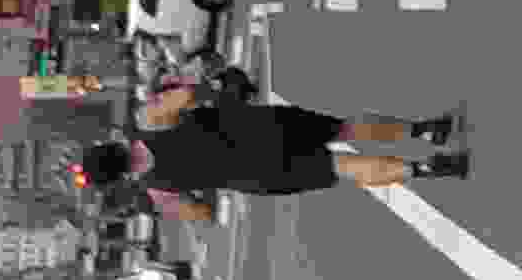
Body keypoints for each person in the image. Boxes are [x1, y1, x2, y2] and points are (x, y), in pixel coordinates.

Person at [117, 66, 464, 224]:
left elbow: (202, 214)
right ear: (116, 145)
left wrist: (200, 182)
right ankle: (424, 131)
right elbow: (186, 96)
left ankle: (425, 168)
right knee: (345, 129)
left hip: (258, 174)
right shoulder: (147, 121)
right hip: (258, 129)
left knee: (342, 168)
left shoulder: (157, 191)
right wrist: (208, 92)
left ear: (119, 177)